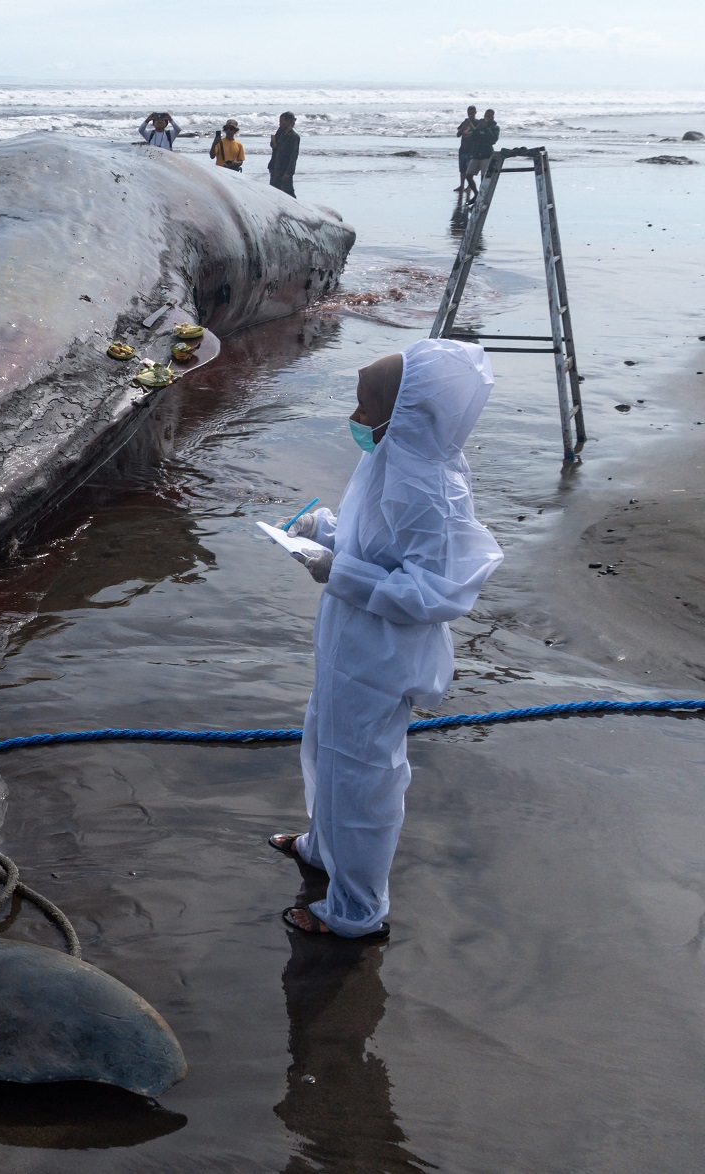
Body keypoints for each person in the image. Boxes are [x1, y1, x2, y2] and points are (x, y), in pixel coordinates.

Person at [269, 339, 503, 940]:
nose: (356, 420)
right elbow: (376, 541)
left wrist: (338, 570)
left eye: (366, 406)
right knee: (325, 745)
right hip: (348, 640)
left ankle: (355, 911)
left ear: (412, 411)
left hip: (381, 655)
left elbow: (435, 594)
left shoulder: (434, 491)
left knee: (364, 776)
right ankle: (322, 847)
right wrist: (327, 530)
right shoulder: (391, 456)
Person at [463, 109, 500, 202]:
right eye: (486, 116)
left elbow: (493, 140)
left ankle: (482, 196)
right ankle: (476, 193)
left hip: (487, 155)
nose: (487, 118)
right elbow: (472, 137)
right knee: (468, 175)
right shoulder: (479, 125)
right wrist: (477, 129)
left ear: (492, 117)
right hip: (476, 154)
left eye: (489, 116)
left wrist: (486, 129)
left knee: (484, 178)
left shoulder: (495, 127)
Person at [269, 112, 301, 197]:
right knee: (273, 192)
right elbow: (275, 147)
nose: (280, 123)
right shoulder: (281, 133)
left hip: (284, 170)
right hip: (275, 167)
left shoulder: (294, 137)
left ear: (289, 121)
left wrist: (289, 172)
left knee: (288, 193)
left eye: (282, 121)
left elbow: (294, 156)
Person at [453, 106, 479, 194]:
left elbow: (477, 134)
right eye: (469, 113)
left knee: (469, 170)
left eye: (472, 113)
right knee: (462, 169)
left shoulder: (478, 122)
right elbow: (458, 134)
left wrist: (471, 125)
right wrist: (463, 126)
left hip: (471, 149)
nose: (470, 115)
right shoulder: (465, 122)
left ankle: (469, 186)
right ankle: (461, 185)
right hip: (463, 148)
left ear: (476, 112)